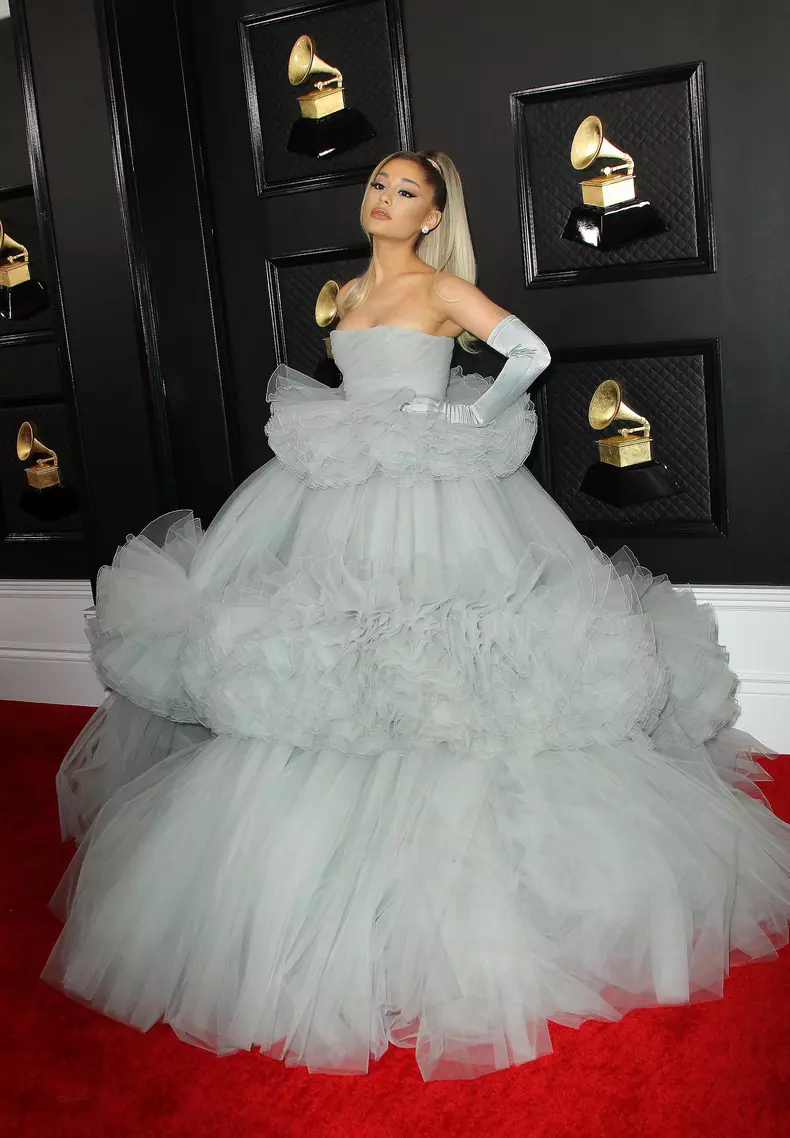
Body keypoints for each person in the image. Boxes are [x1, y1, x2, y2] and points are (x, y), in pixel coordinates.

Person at [43, 150, 790, 1082]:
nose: (384, 199)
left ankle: (459, 894)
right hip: (338, 494)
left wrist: (473, 422)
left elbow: (529, 353)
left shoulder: (440, 288)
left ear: (433, 215)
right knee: (334, 655)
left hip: (436, 505)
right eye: (377, 187)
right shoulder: (347, 292)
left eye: (405, 191)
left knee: (449, 658)